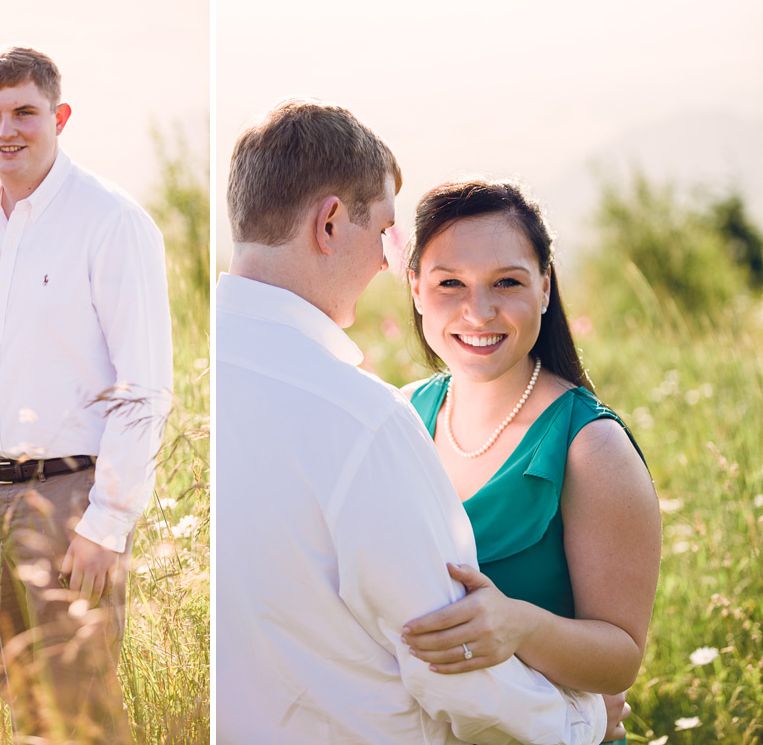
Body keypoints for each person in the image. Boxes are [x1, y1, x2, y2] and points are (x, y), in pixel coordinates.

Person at [217, 99, 625, 744]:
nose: (383, 259)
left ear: (547, 285)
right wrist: (581, 719)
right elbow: (437, 656)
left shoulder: (192, 372)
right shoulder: (376, 420)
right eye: (385, 233)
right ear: (329, 224)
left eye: (509, 282)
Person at [0, 46, 172, 743]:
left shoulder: (111, 221)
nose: (7, 129)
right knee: (18, 703)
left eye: (25, 112)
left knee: (82, 710)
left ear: (59, 116)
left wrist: (107, 521)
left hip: (69, 500)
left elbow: (144, 388)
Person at [399, 179, 662, 745]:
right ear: (416, 288)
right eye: (450, 283)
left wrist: (519, 626)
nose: (479, 310)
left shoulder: (590, 447)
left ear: (544, 287)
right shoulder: (400, 416)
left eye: (507, 282)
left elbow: (620, 662)